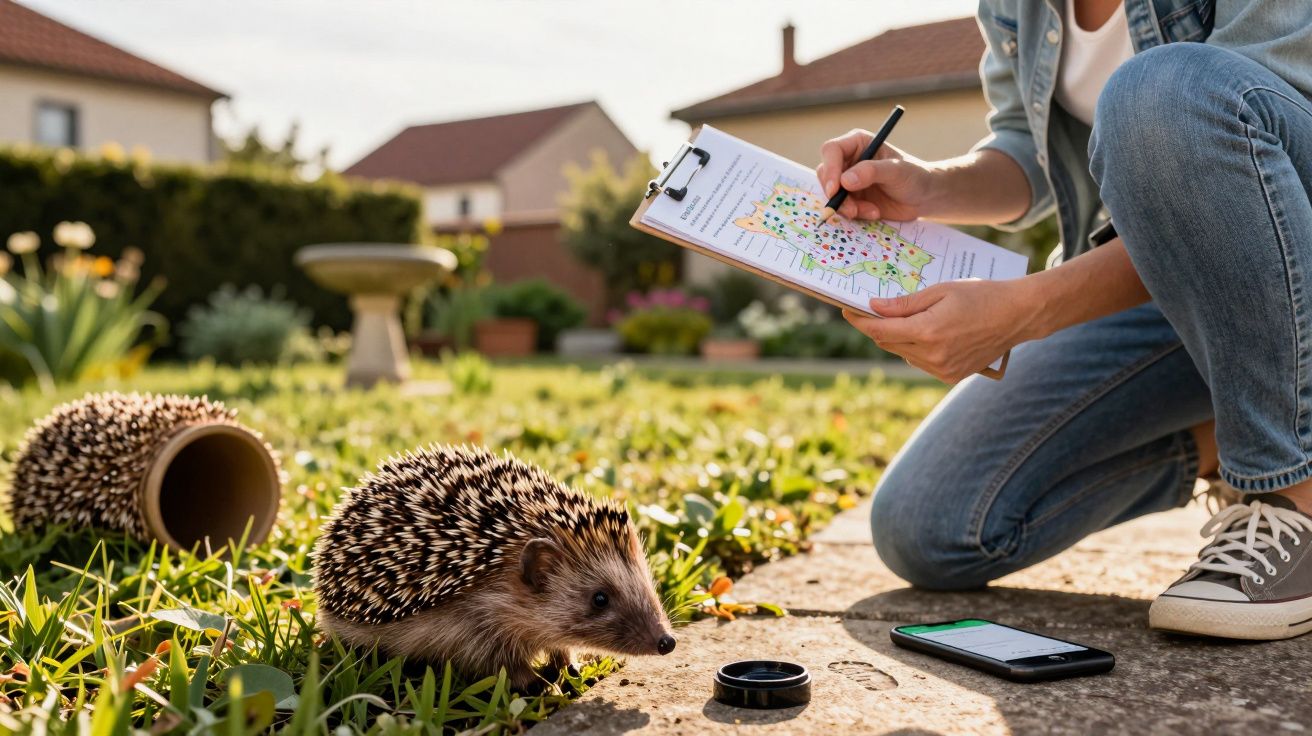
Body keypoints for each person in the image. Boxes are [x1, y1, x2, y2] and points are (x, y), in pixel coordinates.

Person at [818, 0, 1312, 640]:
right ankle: (1227, 433)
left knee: (1159, 92)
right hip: (1169, 287)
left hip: (1293, 255)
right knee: (929, 524)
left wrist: (1030, 308)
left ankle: (1294, 494)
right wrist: (926, 184)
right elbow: (1029, 149)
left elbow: (1237, 160)